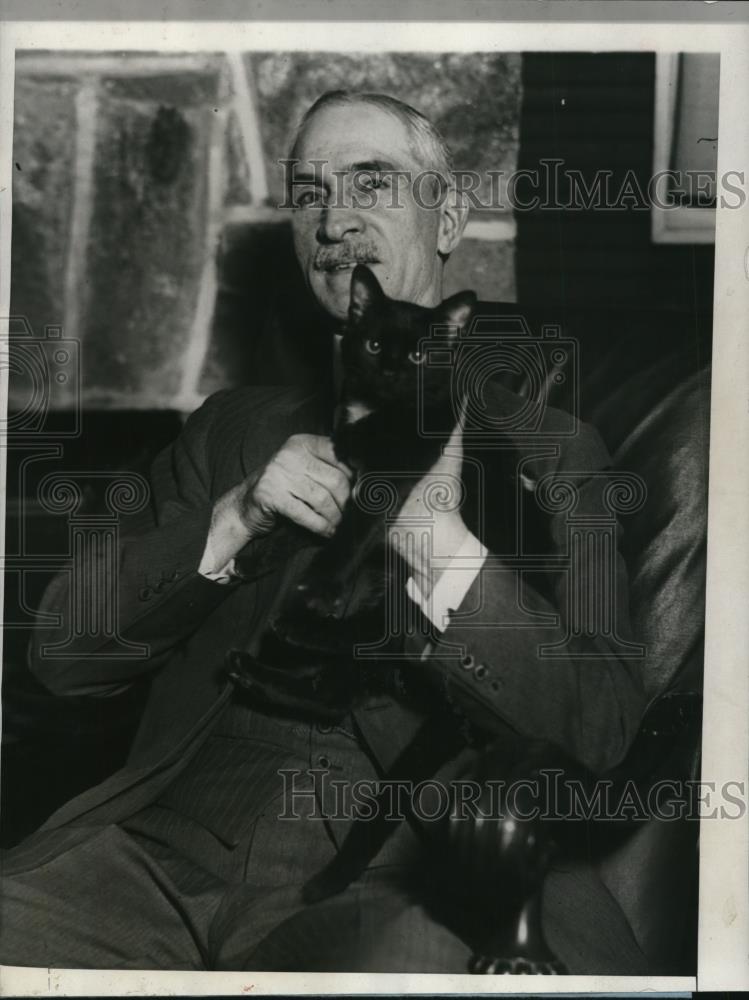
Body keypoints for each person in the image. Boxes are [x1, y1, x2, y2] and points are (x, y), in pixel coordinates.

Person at [0, 91, 648, 973]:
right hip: (153, 853)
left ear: (448, 214)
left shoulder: (558, 453)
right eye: (308, 195)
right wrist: (236, 516)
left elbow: (600, 728)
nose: (333, 219)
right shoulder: (231, 430)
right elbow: (62, 658)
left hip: (403, 867)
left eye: (370, 183)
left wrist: (436, 541)